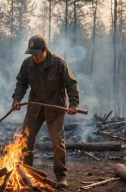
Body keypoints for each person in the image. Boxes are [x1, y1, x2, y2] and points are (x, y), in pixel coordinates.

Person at [12, 35, 80, 188]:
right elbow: (21, 84)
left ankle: (61, 176)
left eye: (37, 53)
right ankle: (26, 173)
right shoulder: (27, 64)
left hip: (55, 108)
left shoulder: (59, 63)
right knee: (26, 139)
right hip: (35, 108)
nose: (34, 57)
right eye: (32, 53)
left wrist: (73, 104)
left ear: (45, 50)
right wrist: (17, 99)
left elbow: (71, 85)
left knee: (57, 142)